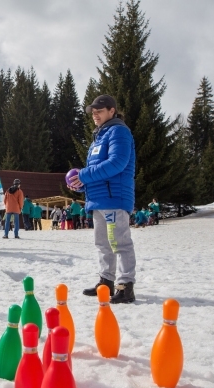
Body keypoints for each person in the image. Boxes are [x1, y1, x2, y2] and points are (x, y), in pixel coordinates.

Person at [68, 94, 137, 304]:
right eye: (93, 112)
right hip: (98, 200)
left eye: (99, 111)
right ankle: (106, 281)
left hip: (114, 198)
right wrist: (81, 184)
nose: (95, 115)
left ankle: (125, 286)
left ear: (112, 111)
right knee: (102, 244)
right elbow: (95, 171)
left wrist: (84, 176)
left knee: (120, 243)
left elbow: (117, 163)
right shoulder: (98, 137)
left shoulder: (119, 131)